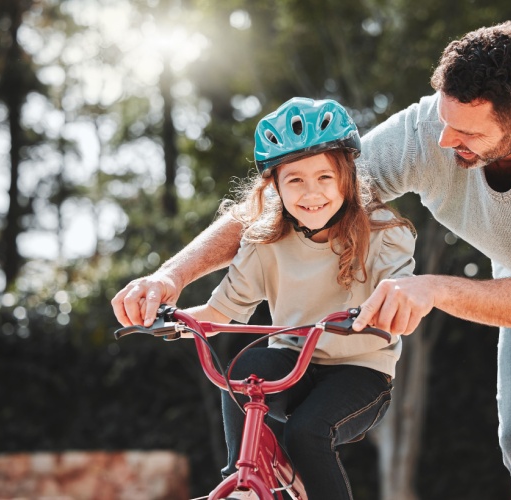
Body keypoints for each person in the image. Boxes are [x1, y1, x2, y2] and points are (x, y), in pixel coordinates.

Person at [112, 20, 511, 500]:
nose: (444, 143)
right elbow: (298, 202)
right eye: (443, 120)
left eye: (465, 133)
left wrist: (433, 289)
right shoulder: (429, 130)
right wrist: (172, 275)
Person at [118, 97, 416, 499]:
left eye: (325, 177)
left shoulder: (384, 233)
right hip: (293, 362)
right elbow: (219, 313)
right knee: (245, 368)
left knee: (307, 431)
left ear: (347, 178)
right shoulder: (265, 243)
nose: (312, 193)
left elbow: (402, 296)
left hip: (359, 373)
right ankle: (242, 484)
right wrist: (170, 319)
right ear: (274, 185)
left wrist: (389, 310)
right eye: (295, 180)